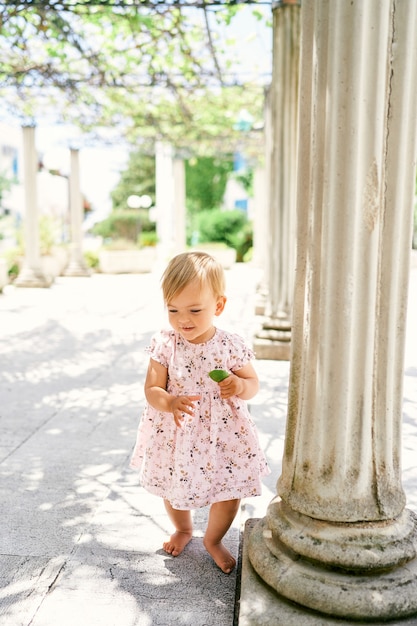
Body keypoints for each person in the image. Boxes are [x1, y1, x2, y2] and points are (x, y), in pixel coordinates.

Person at [130, 251, 269, 574]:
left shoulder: (230, 345)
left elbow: (253, 384)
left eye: (194, 310)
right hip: (179, 430)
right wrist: (169, 402)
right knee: (172, 481)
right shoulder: (165, 344)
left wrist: (238, 384)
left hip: (224, 433)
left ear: (218, 306)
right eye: (173, 309)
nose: (183, 319)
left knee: (230, 487)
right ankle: (182, 527)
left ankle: (214, 538)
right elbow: (152, 389)